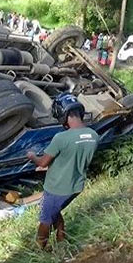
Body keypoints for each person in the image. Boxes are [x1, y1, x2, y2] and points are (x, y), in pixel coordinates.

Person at [27, 94, 99, 249]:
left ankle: (40, 249)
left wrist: (33, 156)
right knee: (55, 210)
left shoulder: (61, 138)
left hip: (57, 187)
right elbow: (73, 157)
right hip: (76, 186)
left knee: (45, 218)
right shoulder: (93, 136)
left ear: (63, 115)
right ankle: (61, 239)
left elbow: (43, 162)